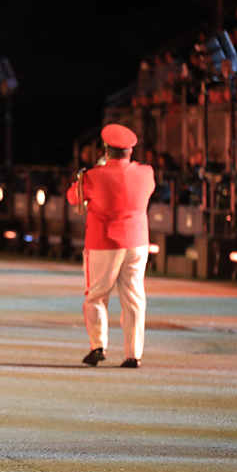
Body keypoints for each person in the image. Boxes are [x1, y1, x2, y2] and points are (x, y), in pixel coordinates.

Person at [65, 124, 155, 369]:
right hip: (137, 241)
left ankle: (98, 346)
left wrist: (89, 172)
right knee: (134, 298)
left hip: (104, 242)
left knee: (96, 296)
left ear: (106, 149)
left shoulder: (94, 175)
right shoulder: (146, 173)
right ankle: (133, 354)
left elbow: (73, 197)